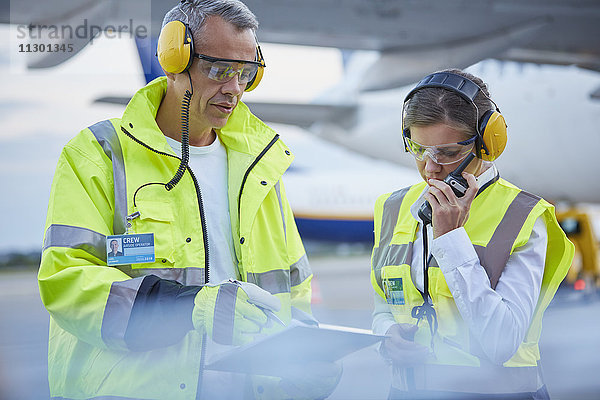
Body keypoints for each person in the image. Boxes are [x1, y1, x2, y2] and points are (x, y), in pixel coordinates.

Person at [38, 1, 340, 398]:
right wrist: (186, 308)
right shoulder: (98, 153)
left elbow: (294, 286)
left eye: (247, 74)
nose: (234, 89)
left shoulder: (260, 166)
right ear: (173, 59)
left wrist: (305, 360)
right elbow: (67, 281)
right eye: (218, 70)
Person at [370, 69, 574, 399]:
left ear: (486, 144)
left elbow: (501, 342)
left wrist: (451, 238)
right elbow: (384, 303)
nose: (431, 167)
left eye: (448, 153)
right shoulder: (391, 207)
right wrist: (387, 333)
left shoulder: (522, 216)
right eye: (418, 149)